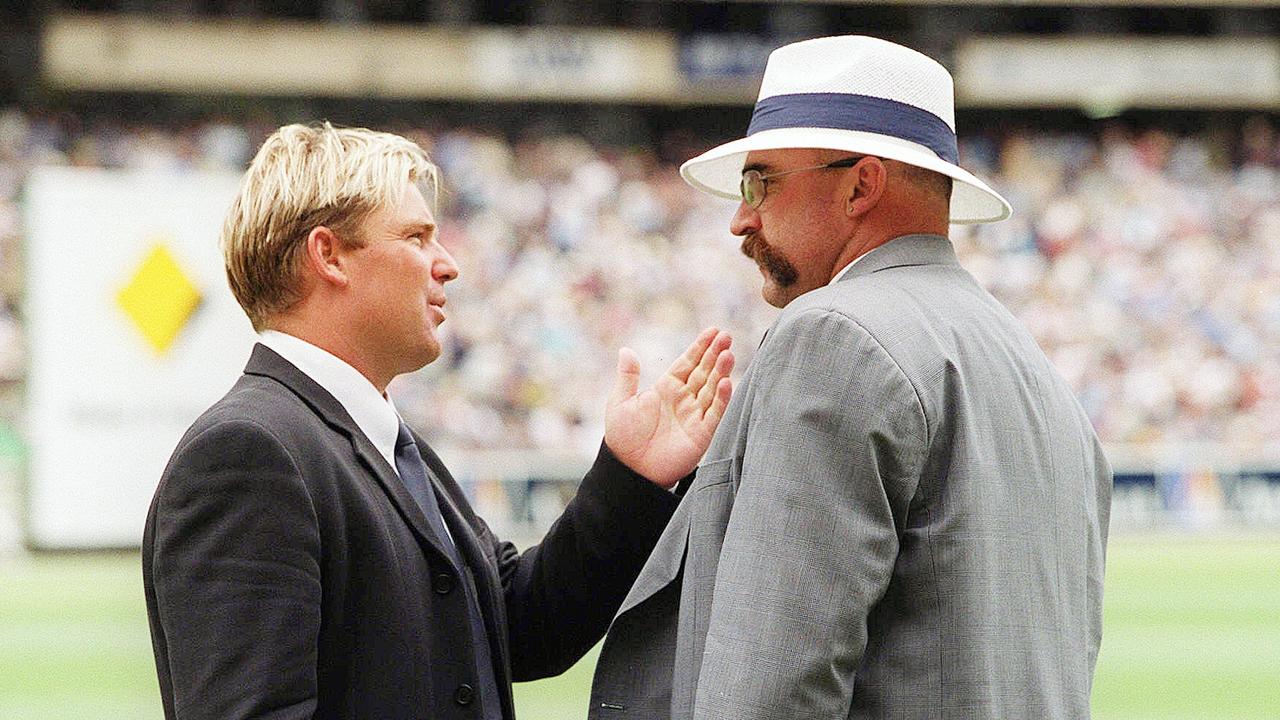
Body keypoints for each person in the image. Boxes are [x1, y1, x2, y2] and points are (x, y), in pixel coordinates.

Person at [590, 36, 1111, 720]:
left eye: (760, 181)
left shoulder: (836, 337)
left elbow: (771, 692)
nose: (740, 218)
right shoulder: (1035, 373)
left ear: (862, 185)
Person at [142, 122, 735, 720]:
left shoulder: (382, 441)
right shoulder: (249, 452)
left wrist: (631, 477)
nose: (448, 264)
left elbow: (519, 626)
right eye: (417, 237)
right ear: (329, 256)